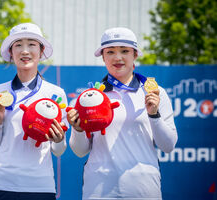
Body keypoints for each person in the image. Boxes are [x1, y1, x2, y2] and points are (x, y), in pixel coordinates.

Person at [67, 27, 178, 199]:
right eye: (110, 52)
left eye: (124, 51)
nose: (118, 57)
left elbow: (168, 145)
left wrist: (154, 115)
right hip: (98, 190)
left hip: (143, 189)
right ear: (103, 57)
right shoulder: (88, 97)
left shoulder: (156, 93)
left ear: (135, 55)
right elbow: (80, 151)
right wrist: (78, 130)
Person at [0, 23, 68, 200]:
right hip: (1, 183)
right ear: (11, 53)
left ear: (41, 51)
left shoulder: (56, 94)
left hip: (40, 186)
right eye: (18, 45)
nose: (25, 51)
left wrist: (59, 139)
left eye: (32, 44)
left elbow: (58, 151)